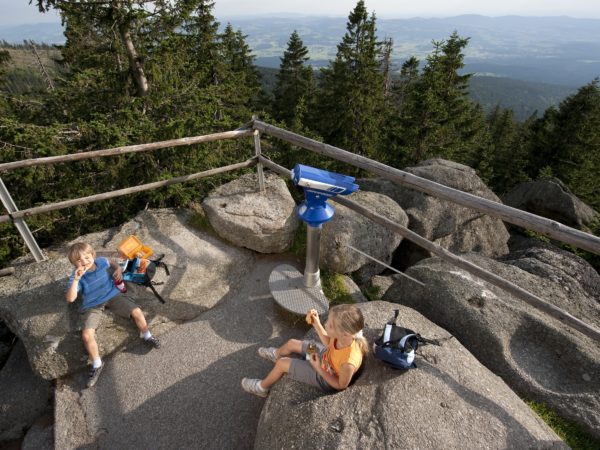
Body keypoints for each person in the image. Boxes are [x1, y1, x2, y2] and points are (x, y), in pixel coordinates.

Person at [65, 242, 161, 388]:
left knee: (137, 312)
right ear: (73, 263)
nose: (84, 261)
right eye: (79, 260)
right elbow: (70, 298)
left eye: (86, 256)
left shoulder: (101, 261)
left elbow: (111, 262)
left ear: (93, 255)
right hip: (93, 304)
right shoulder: (77, 275)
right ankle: (97, 364)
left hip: (113, 295)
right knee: (86, 335)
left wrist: (117, 269)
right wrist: (77, 279)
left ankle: (147, 335)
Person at [241, 304, 368, 397]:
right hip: (323, 355)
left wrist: (317, 367)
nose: (326, 324)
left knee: (282, 364)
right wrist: (316, 323)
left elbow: (341, 385)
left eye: (329, 325)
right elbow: (330, 343)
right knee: (292, 343)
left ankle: (261, 388)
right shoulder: (347, 337)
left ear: (344, 334)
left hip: (324, 375)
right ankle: (276, 354)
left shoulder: (348, 362)